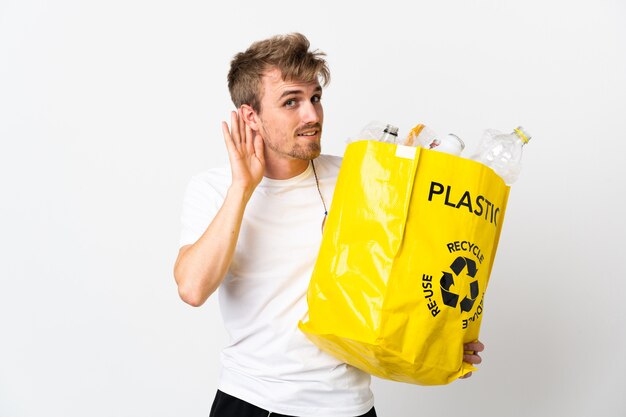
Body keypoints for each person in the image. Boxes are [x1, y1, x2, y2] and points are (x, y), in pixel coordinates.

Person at [174, 32, 484, 417]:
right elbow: (192, 288)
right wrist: (242, 187)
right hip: (255, 402)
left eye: (315, 98)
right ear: (250, 116)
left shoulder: (362, 176)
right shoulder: (214, 187)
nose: (312, 115)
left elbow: (404, 277)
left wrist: (440, 332)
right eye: (292, 102)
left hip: (349, 406)